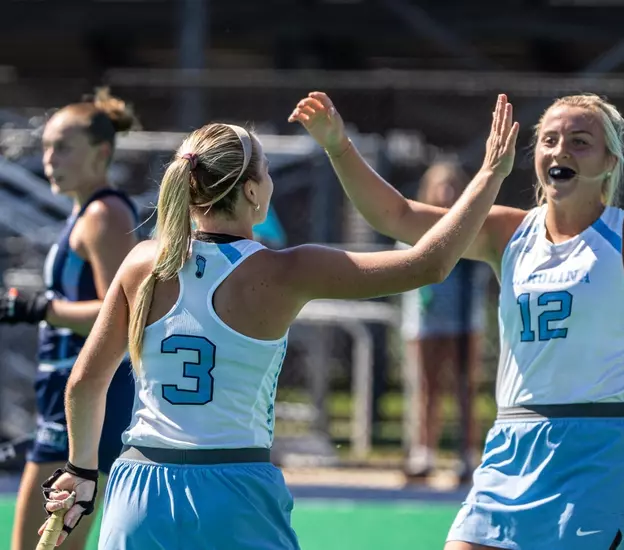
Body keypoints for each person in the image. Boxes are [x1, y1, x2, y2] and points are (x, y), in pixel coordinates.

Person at [36, 94, 519, 548]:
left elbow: (84, 383)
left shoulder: (142, 262)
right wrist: (489, 176)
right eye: (266, 172)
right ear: (251, 191)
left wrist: (81, 471)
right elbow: (428, 264)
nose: (270, 182)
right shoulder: (285, 270)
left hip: (138, 490)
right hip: (234, 490)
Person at [293, 90, 624, 550]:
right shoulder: (507, 232)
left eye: (580, 141)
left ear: (610, 162)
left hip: (600, 451)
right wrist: (339, 146)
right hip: (513, 443)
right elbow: (397, 215)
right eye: (549, 140)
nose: (561, 150)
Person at [2, 88, 140, 550]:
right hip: (61, 397)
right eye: (46, 147)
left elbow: (120, 313)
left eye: (63, 148)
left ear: (100, 153)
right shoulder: (84, 213)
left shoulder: (105, 213)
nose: (49, 159)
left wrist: (40, 308)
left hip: (84, 401)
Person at [400, 160, 489, 482]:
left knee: (465, 388)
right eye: (441, 185)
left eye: (452, 186)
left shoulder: (471, 226)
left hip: (464, 323)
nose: (446, 192)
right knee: (428, 387)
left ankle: (467, 455)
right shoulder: (413, 226)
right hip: (426, 323)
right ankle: (423, 453)